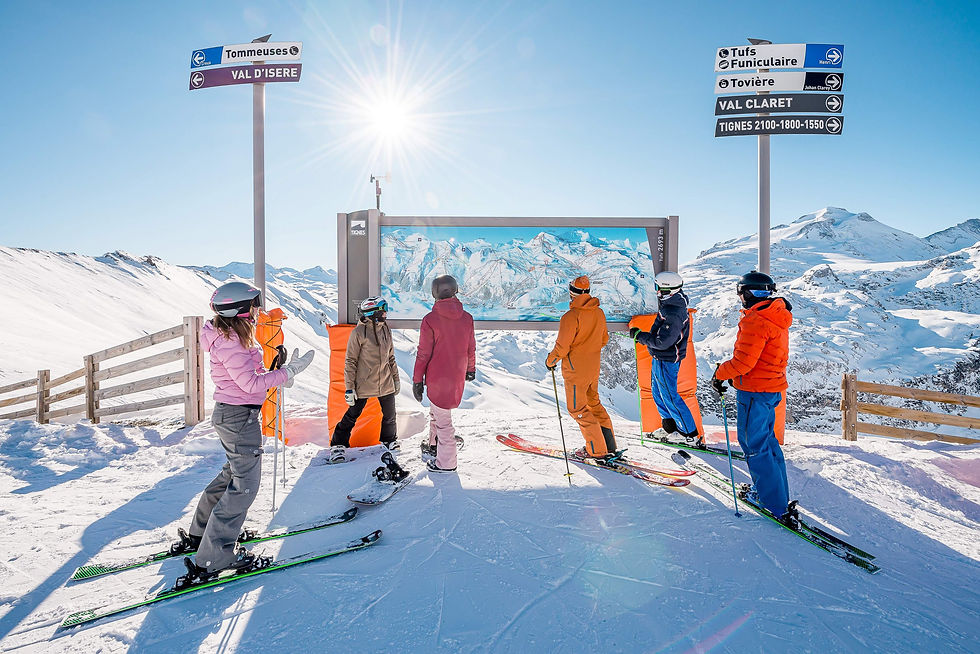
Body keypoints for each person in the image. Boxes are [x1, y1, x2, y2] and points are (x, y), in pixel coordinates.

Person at [174, 281, 315, 578]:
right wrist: (287, 373)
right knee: (244, 486)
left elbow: (247, 377)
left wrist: (276, 373)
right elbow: (249, 385)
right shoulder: (231, 342)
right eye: (253, 305)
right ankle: (215, 556)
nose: (257, 310)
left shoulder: (228, 337)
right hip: (239, 419)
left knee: (232, 475)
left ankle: (202, 534)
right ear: (238, 310)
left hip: (234, 416)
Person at [712, 271, 795, 524]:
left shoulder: (756, 321)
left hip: (754, 391)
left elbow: (743, 363)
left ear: (748, 293)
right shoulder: (776, 316)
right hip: (771, 389)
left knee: (755, 445)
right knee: (768, 443)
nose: (740, 298)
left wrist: (719, 374)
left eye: (741, 293)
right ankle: (778, 496)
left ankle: (772, 502)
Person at [545, 275, 617, 459]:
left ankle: (596, 450)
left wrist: (551, 361)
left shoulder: (571, 317)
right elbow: (603, 339)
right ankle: (609, 445)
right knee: (594, 405)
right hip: (593, 369)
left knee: (578, 410)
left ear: (572, 293)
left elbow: (562, 347)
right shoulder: (598, 313)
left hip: (576, 371)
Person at [412, 275, 476, 473]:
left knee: (443, 421)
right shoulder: (467, 318)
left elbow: (423, 353)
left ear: (435, 293)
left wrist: (417, 380)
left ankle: (447, 462)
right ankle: (434, 446)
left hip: (437, 378)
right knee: (437, 413)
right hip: (456, 376)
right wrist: (470, 369)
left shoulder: (430, 320)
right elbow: (470, 348)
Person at [629, 271, 700, 445]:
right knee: (658, 393)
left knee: (670, 396)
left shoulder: (674, 312)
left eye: (657, 287)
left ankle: (689, 433)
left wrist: (640, 336)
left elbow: (663, 341)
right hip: (660, 358)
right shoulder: (670, 304)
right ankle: (671, 428)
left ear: (666, 290)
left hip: (666, 359)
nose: (656, 291)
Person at [330, 296, 401, 462]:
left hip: (385, 381)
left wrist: (395, 379)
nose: (386, 314)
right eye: (383, 310)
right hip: (364, 383)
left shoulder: (385, 329)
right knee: (352, 414)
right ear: (374, 312)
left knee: (390, 415)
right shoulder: (358, 333)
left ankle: (389, 440)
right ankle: (337, 444)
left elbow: (391, 357)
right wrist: (349, 387)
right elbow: (350, 361)